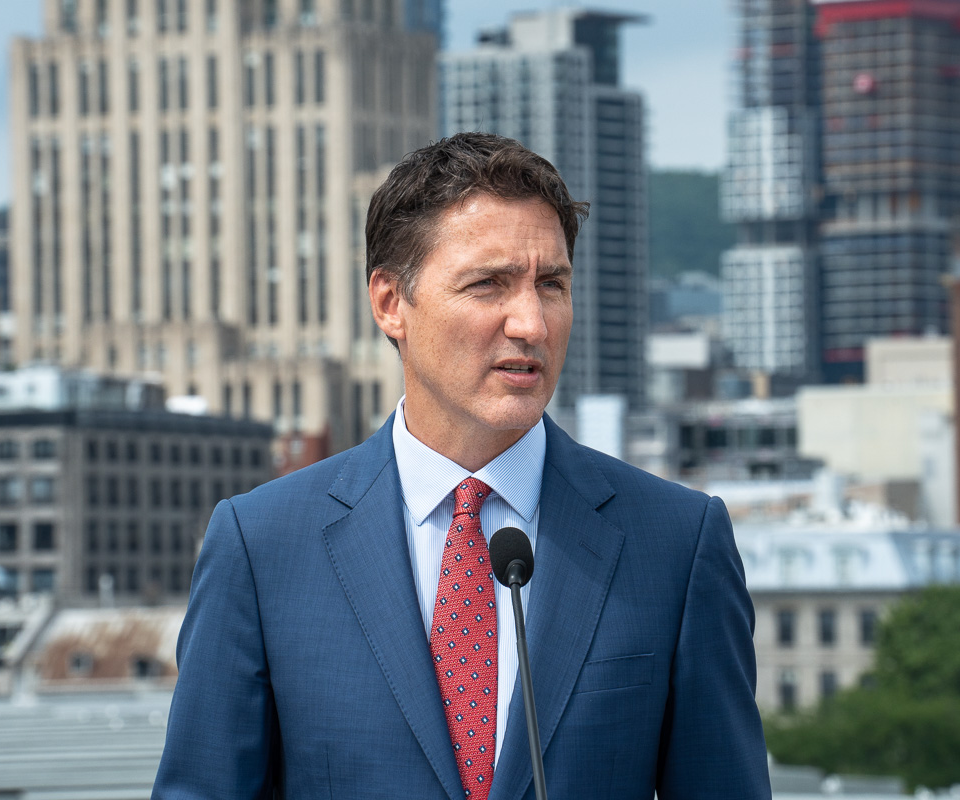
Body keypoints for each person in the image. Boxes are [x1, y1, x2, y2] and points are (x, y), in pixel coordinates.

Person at [152, 132, 770, 799]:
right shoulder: (261, 546)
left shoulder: (678, 543)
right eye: (487, 285)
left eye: (552, 285)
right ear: (391, 303)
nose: (531, 323)